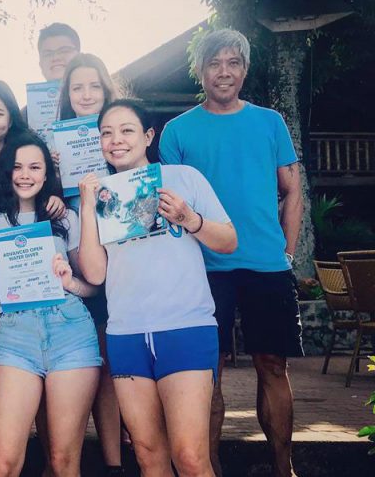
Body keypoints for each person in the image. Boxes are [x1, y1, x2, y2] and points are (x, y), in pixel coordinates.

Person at [158, 29, 303, 477]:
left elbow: (292, 190)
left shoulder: (270, 122)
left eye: (233, 63)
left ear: (244, 69)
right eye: (214, 63)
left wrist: (287, 253)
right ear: (200, 71)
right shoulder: (177, 131)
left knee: (273, 366)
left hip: (266, 265)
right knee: (208, 372)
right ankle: (211, 467)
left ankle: (284, 467)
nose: (224, 72)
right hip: (204, 268)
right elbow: (167, 205)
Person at [78, 99, 238, 477]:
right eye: (106, 133)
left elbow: (229, 241)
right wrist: (86, 207)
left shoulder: (183, 178)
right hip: (126, 333)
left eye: (127, 130)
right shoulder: (102, 195)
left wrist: (190, 219)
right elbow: (95, 273)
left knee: (190, 457)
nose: (116, 140)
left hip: (185, 328)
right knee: (149, 456)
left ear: (148, 136)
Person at [0, 132, 102, 477]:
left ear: (46, 174)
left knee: (63, 462)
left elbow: (93, 286)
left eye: (35, 167)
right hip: (16, 337)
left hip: (70, 331)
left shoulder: (66, 218)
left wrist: (70, 282)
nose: (25, 175)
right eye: (17, 167)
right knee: (2, 464)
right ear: (6, 172)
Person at [0, 80, 65, 422]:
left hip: (28, 285)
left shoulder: (26, 153)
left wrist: (56, 196)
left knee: (34, 378)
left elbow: (48, 194)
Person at [55, 53, 125, 476]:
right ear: (66, 94)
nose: (85, 94)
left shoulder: (120, 140)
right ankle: (86, 461)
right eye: (77, 87)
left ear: (106, 89)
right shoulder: (53, 145)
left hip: (123, 261)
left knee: (115, 364)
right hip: (76, 263)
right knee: (88, 365)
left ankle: (121, 457)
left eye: (94, 86)